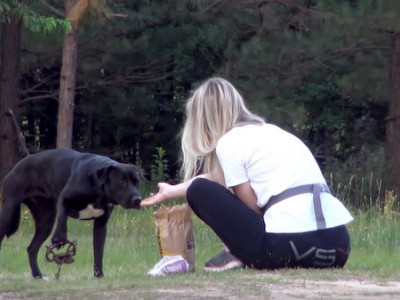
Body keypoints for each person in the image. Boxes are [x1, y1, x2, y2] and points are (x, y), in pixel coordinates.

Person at [141, 77, 353, 271]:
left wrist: (236, 238)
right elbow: (215, 177)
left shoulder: (229, 143)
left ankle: (237, 254)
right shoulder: (273, 133)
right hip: (337, 247)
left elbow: (252, 209)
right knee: (202, 186)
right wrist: (171, 191)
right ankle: (238, 253)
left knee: (198, 191)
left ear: (204, 119)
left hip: (287, 248)